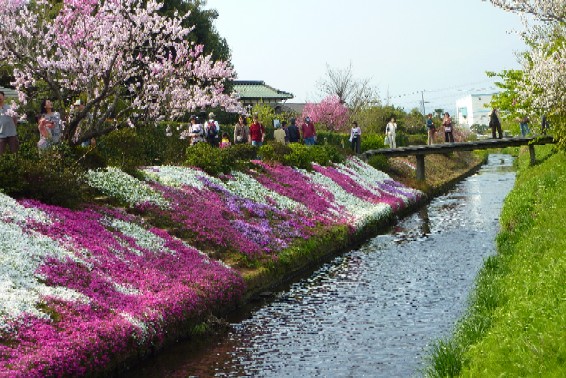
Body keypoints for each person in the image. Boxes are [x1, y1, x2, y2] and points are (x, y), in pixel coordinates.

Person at [0, 91, 20, 155]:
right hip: (1, 135)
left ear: (4, 97)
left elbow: (15, 119)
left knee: (15, 152)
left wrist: (14, 127)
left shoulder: (9, 107)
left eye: (0, 96)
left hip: (12, 133)